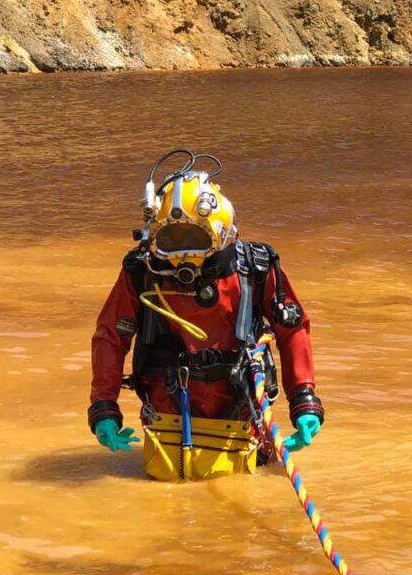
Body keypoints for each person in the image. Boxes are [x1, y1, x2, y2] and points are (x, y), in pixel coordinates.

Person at [88, 149, 325, 480]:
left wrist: (303, 399)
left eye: (195, 239)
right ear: (155, 238)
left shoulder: (255, 268)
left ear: (221, 234)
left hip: (240, 407)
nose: (184, 254)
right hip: (167, 409)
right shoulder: (142, 272)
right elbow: (111, 335)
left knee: (251, 485)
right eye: (172, 240)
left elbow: (292, 329)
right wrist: (104, 407)